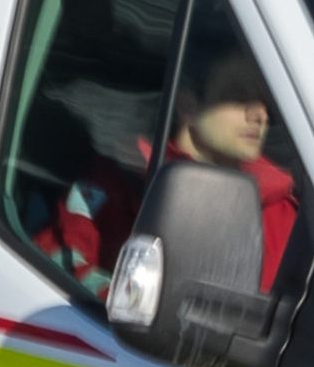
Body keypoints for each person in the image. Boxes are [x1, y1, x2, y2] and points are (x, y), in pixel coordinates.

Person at [40, 46, 298, 296]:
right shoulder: (117, 185)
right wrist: (135, 304)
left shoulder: (285, 212)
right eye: (238, 96)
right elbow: (58, 275)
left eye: (265, 101)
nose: (260, 115)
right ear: (187, 103)